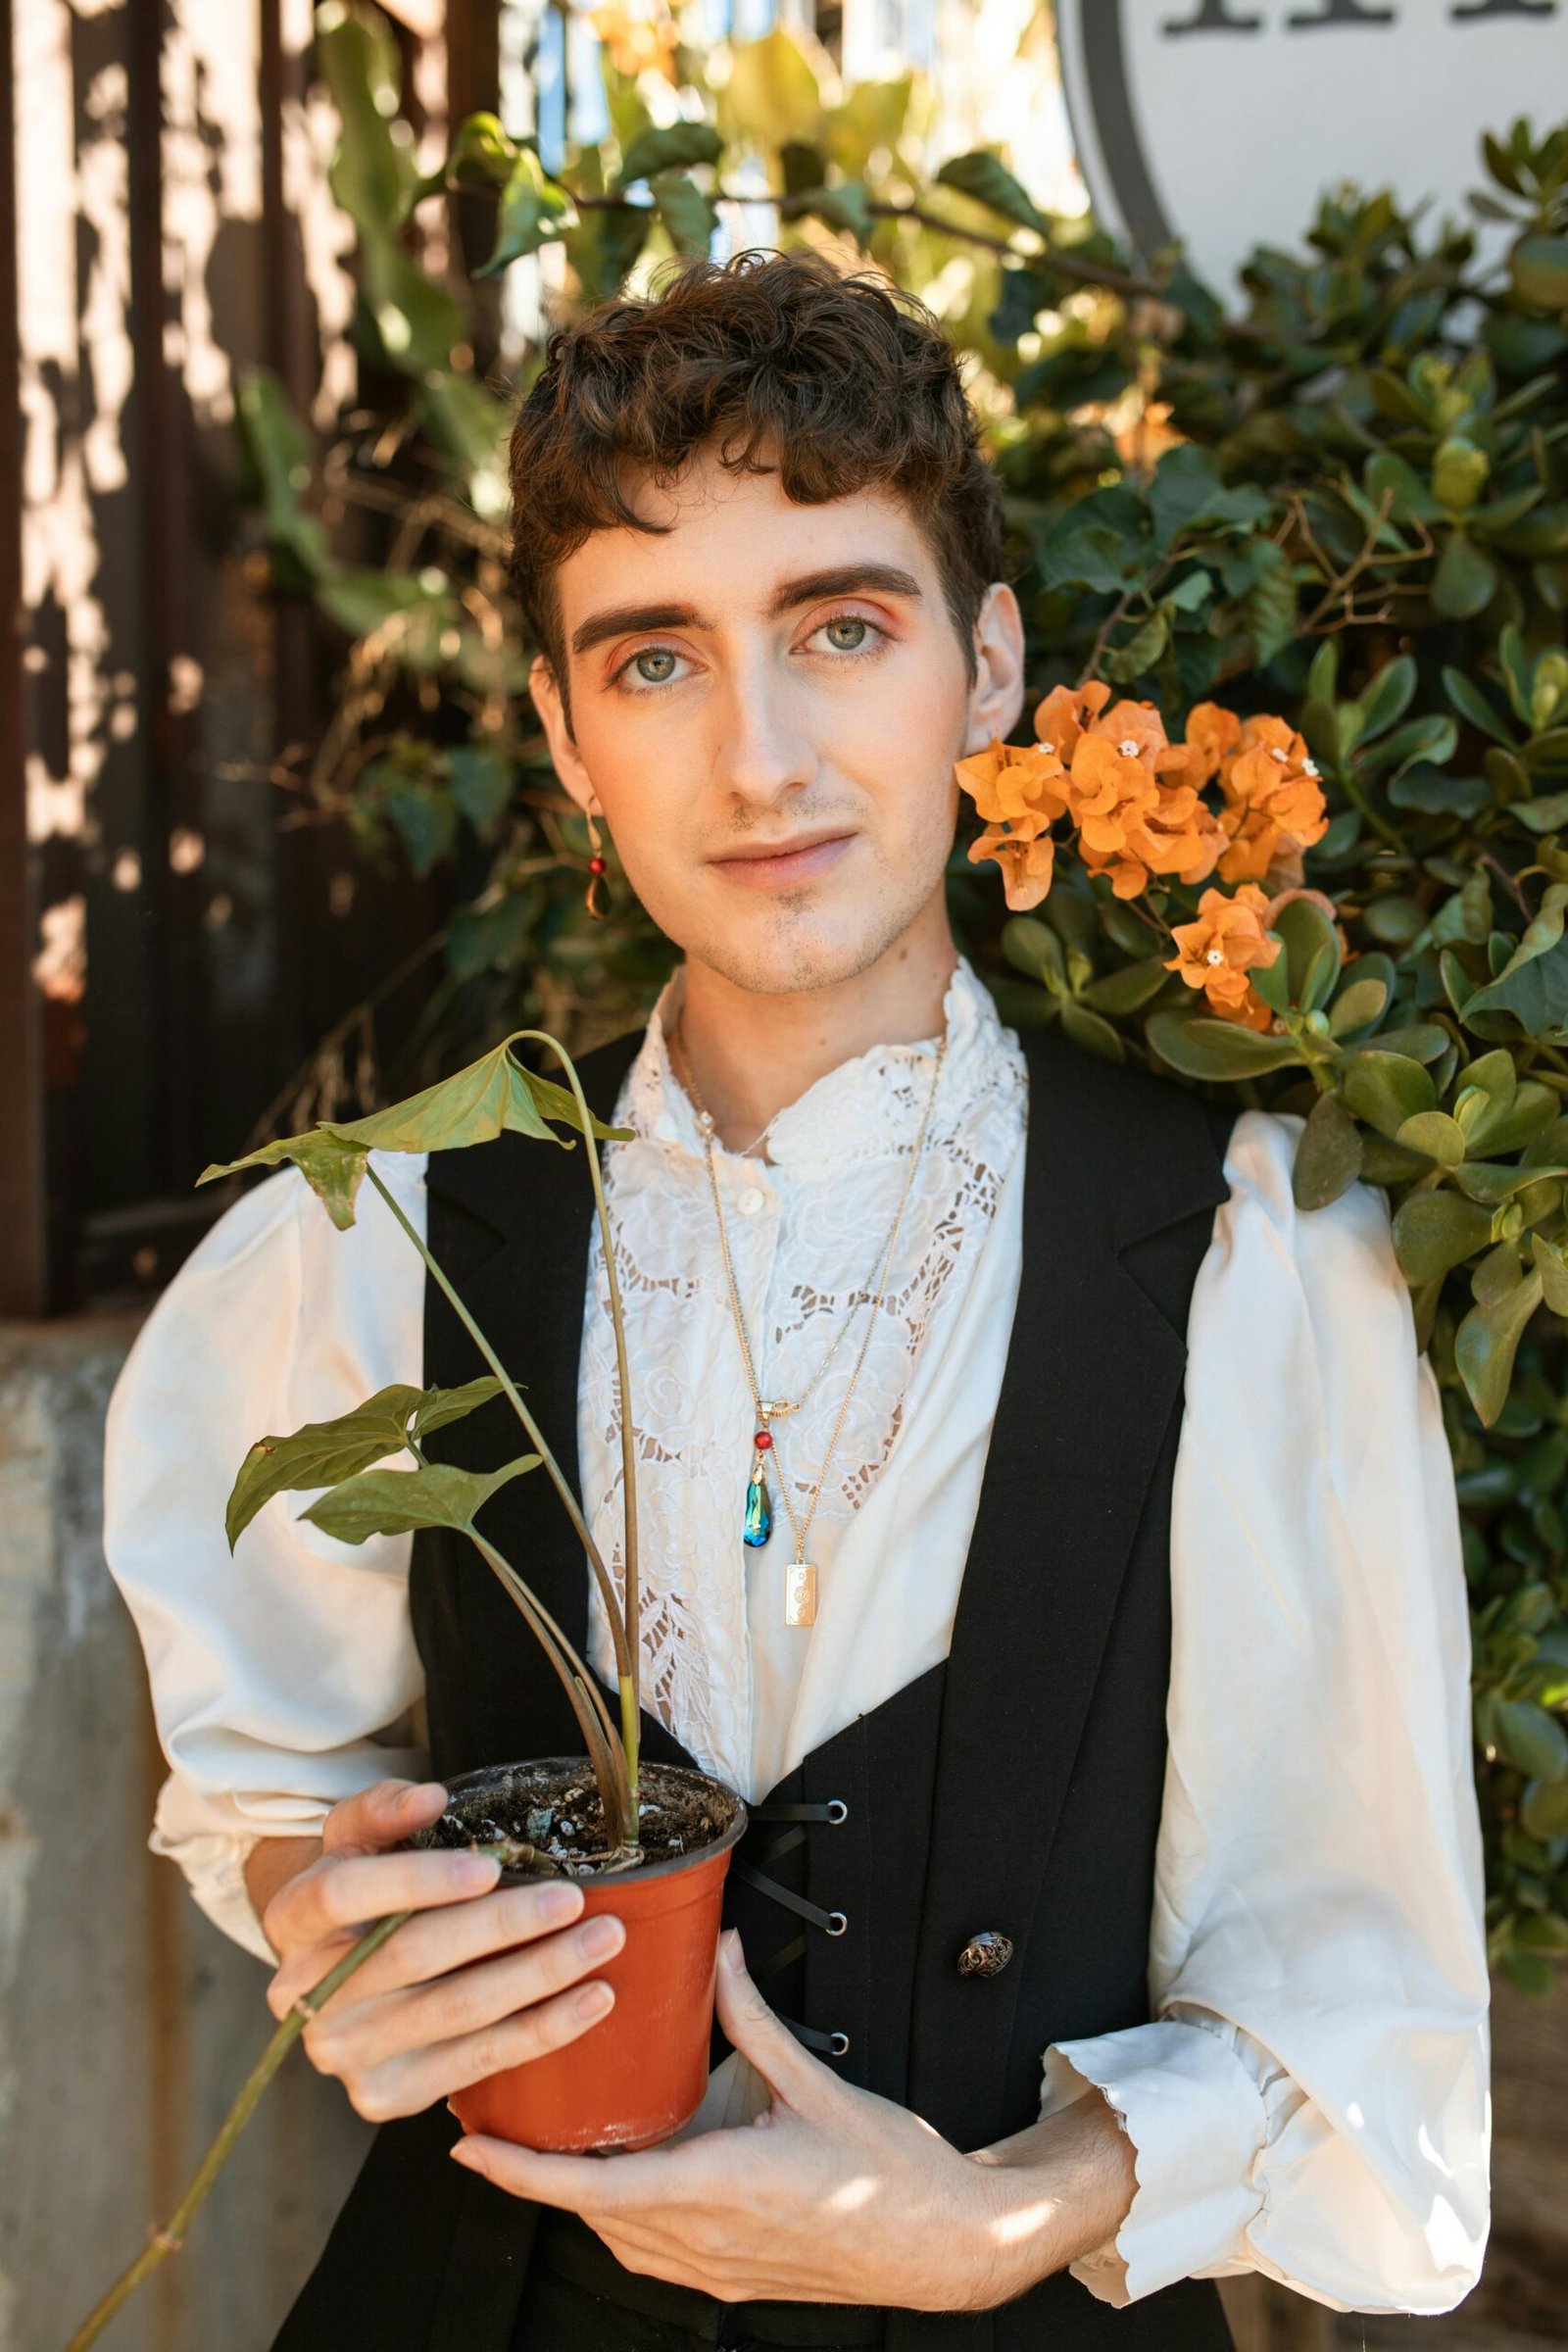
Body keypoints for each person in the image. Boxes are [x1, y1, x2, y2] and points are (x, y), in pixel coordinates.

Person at [103, 249, 1489, 2352]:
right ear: (564, 733)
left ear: (987, 666)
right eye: (652, 664)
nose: (758, 759)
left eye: (840, 629)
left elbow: (1354, 1987)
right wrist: (329, 1910)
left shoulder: (1247, 1251)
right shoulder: (372, 1233)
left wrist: (1012, 2210)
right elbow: (279, 1785)